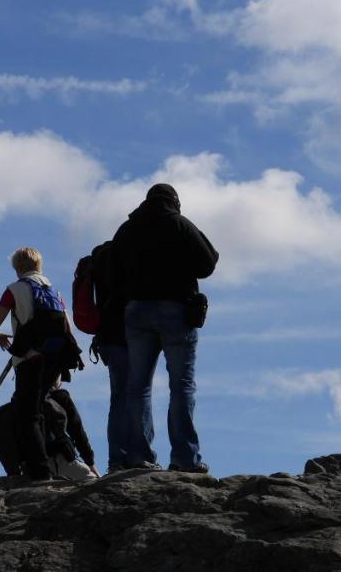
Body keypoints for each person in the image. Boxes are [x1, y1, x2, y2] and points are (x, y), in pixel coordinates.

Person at [112, 184, 218, 473]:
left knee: (138, 388)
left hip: (137, 311)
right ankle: (184, 458)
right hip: (176, 310)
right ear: (175, 202)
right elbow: (208, 263)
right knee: (181, 385)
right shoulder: (180, 224)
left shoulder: (128, 229)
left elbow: (113, 266)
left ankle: (140, 457)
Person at [0, 247, 82, 480]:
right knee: (39, 410)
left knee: (28, 415)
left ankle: (40, 471)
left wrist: (0, 337)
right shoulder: (54, 291)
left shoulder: (13, 290)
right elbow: (67, 329)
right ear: (40, 265)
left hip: (29, 359)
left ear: (17, 267)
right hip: (54, 359)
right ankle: (59, 463)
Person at [0, 377, 101, 481]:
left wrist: (14, 473)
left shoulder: (9, 409)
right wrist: (91, 464)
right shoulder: (59, 397)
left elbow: (5, 445)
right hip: (59, 462)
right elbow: (78, 432)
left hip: (28, 467)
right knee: (94, 484)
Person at [89, 240, 134, 472]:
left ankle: (117, 458)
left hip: (106, 337)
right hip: (128, 336)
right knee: (134, 396)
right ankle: (134, 455)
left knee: (119, 398)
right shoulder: (127, 258)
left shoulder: (99, 259)